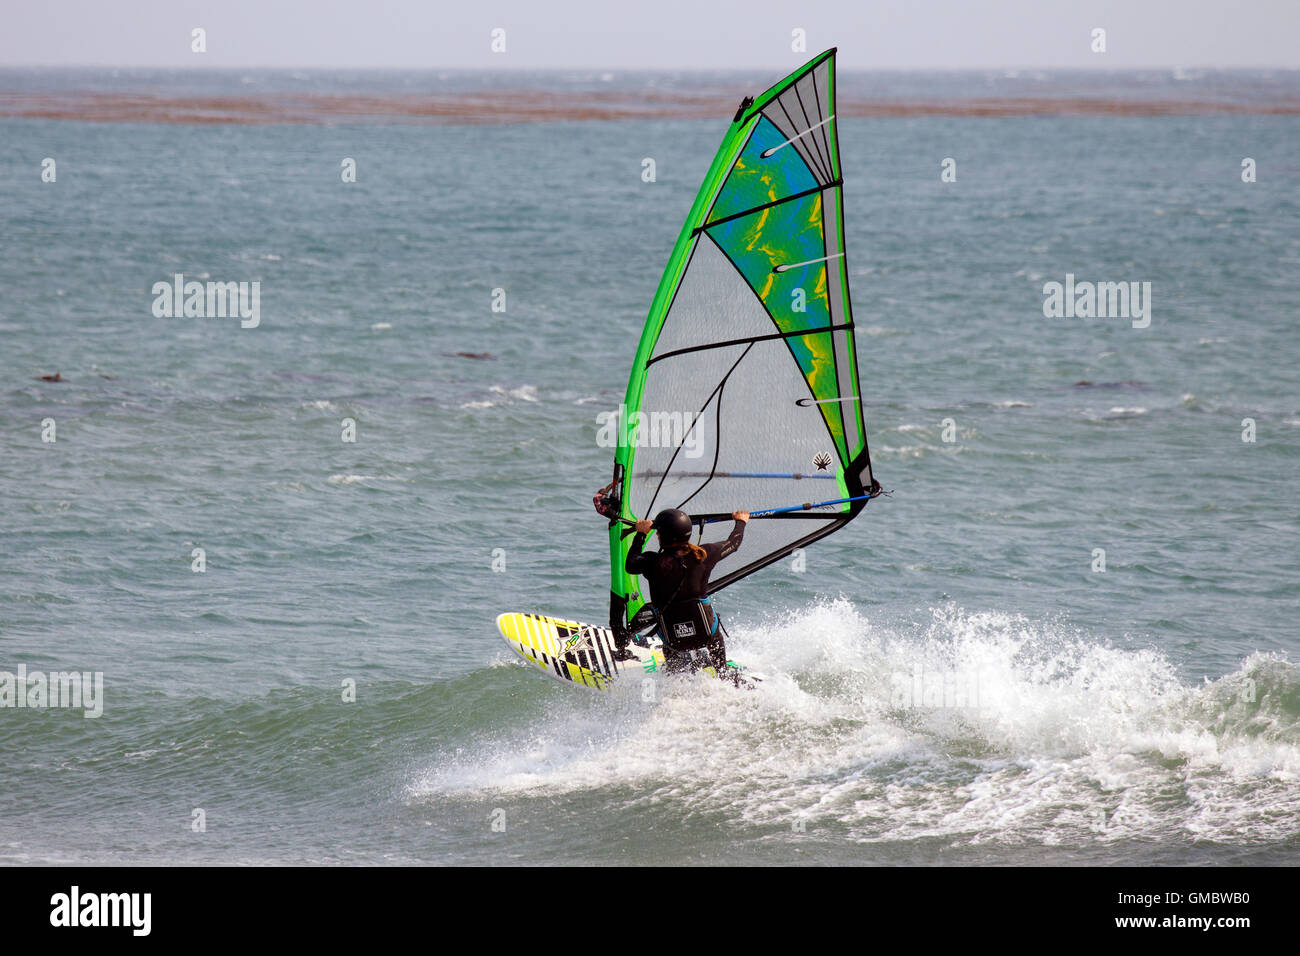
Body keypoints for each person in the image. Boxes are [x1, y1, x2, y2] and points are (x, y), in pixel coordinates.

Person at [625, 507, 749, 675]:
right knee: (713, 632)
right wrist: (741, 521)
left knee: (658, 620)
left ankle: (674, 678)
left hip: (674, 640)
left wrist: (641, 534)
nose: (656, 535)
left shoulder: (651, 562)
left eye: (658, 532)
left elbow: (631, 564)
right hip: (705, 635)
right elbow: (734, 543)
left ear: (662, 536)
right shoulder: (704, 554)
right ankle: (722, 671)